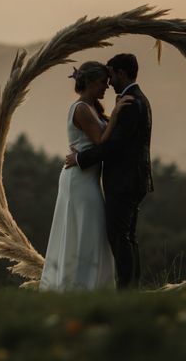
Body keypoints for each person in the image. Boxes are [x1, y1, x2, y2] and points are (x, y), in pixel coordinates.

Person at [39, 61, 133, 291]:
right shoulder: (81, 109)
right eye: (103, 82)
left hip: (87, 177)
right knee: (85, 229)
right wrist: (117, 112)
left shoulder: (92, 108)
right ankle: (78, 285)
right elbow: (101, 140)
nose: (106, 87)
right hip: (79, 180)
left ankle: (90, 285)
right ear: (90, 82)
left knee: (91, 230)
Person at [65, 53, 153, 289]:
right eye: (104, 79)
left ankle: (127, 289)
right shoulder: (135, 99)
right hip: (130, 180)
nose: (109, 82)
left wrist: (80, 158)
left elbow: (112, 145)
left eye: (111, 76)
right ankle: (130, 287)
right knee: (126, 237)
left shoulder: (129, 102)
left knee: (120, 238)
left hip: (124, 182)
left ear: (121, 73)